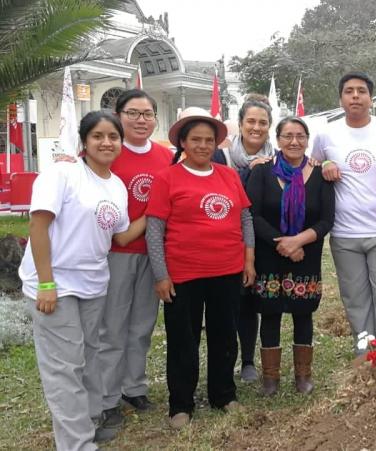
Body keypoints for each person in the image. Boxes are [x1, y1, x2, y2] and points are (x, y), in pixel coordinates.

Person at [19, 111, 146, 449]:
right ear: (84, 141)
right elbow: (38, 226)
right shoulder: (62, 173)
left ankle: (91, 420)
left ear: (121, 142)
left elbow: (121, 237)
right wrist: (46, 283)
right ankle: (77, 444)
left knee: (90, 358)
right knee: (65, 367)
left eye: (113, 137)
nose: (106, 142)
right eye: (98, 136)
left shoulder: (116, 185)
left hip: (93, 284)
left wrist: (155, 212)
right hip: (55, 286)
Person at [145, 108, 256, 429]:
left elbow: (245, 217)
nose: (203, 145)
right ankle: (181, 403)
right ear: (182, 142)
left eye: (209, 140)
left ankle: (224, 393)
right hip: (183, 275)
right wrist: (160, 275)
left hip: (227, 270)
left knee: (224, 337)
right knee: (183, 340)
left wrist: (248, 260)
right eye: (196, 140)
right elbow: (155, 229)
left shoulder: (229, 175)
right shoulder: (167, 178)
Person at [93, 90, 173, 432]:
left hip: (153, 253)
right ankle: (106, 398)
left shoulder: (166, 156)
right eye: (133, 113)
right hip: (116, 252)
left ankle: (134, 387)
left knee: (142, 326)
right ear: (118, 113)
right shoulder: (108, 151)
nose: (141, 120)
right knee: (111, 329)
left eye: (148, 114)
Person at [311, 71, 376, 357]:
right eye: (349, 91)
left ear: (370, 98)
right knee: (355, 299)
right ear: (340, 99)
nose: (355, 96)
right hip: (345, 233)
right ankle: (365, 351)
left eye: (361, 91)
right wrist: (325, 162)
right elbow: (313, 165)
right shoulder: (327, 133)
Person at [246, 116, 334, 396]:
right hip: (270, 254)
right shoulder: (262, 172)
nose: (294, 141)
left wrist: (297, 241)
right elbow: (253, 215)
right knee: (270, 314)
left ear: (308, 140)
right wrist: (282, 244)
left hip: (306, 254)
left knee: (303, 312)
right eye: (287, 136)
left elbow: (326, 220)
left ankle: (303, 375)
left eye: (300, 136)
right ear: (277, 140)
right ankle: (270, 379)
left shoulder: (320, 174)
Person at [210, 99, 274, 383]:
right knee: (226, 302)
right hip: (224, 239)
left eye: (262, 122)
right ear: (240, 124)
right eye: (251, 121)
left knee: (250, 301)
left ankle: (248, 360)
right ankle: (224, 361)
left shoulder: (278, 159)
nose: (256, 128)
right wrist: (252, 171)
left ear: (269, 127)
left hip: (260, 239)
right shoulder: (220, 156)